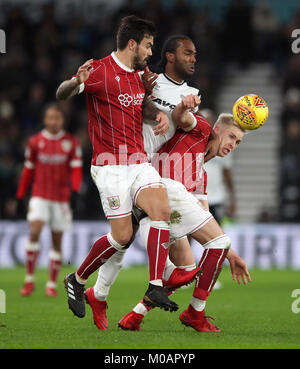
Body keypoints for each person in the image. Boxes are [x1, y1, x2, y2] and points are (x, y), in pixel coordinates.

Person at [56, 15, 190, 317]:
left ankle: (156, 284)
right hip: (109, 166)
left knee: (161, 210)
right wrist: (75, 81)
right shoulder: (99, 71)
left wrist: (158, 114)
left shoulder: (140, 74)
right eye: (148, 45)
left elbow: (139, 106)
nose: (151, 53)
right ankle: (76, 280)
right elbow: (61, 94)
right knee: (122, 236)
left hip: (138, 161)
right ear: (132, 43)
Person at [83, 35, 219, 329]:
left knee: (125, 238)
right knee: (125, 237)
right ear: (169, 56)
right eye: (188, 53)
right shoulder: (148, 79)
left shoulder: (193, 94)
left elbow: (183, 128)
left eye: (196, 54)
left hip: (150, 168)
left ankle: (103, 293)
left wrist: (205, 131)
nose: (194, 58)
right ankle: (117, 291)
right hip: (122, 161)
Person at [17, 103, 83, 297]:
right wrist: (21, 193)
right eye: (50, 118)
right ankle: (29, 280)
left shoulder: (70, 143)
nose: (53, 121)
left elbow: (76, 169)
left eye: (57, 118)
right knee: (35, 231)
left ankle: (51, 284)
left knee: (57, 241)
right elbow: (28, 169)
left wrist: (77, 189)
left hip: (61, 199)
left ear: (62, 120)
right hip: (40, 195)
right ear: (45, 120)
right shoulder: (36, 141)